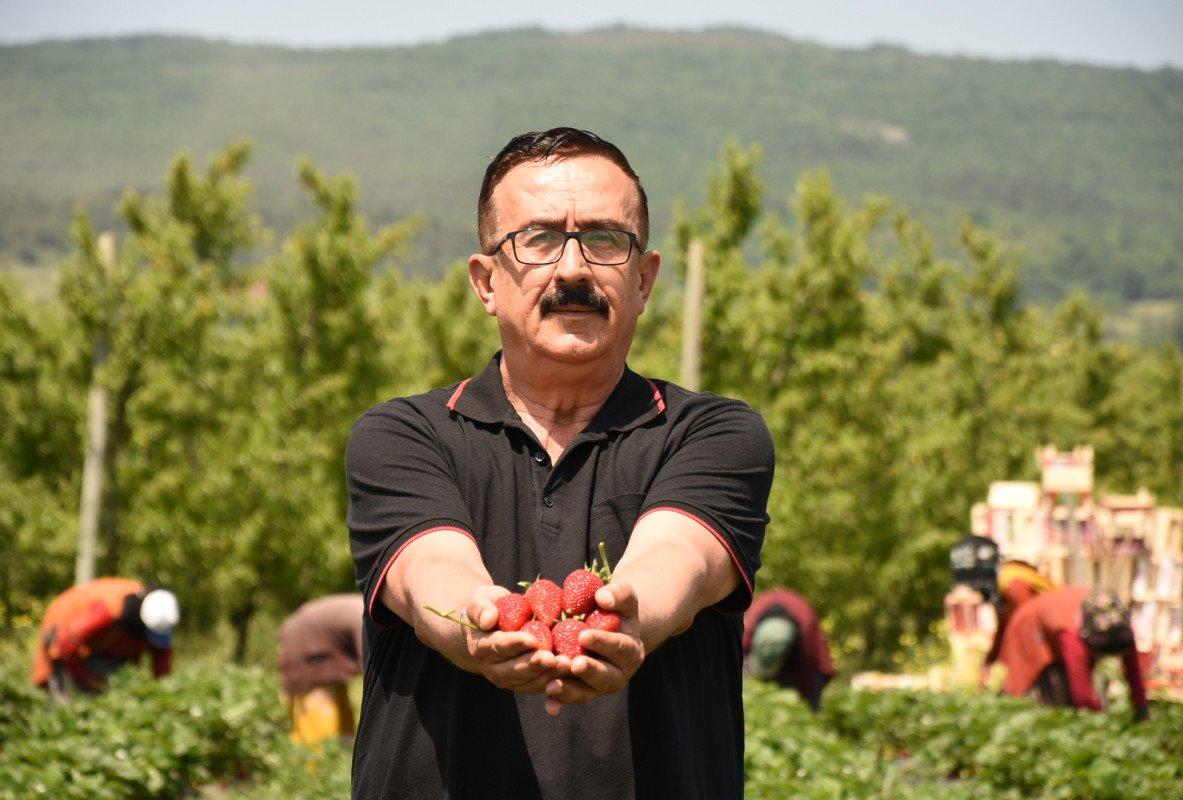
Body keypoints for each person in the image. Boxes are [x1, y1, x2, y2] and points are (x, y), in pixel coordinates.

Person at [346, 127, 774, 799]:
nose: (573, 269)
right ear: (486, 281)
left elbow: (680, 562)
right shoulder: (404, 435)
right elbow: (430, 570)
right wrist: (478, 617)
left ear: (644, 278)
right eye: (539, 239)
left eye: (606, 239)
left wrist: (623, 614)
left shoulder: (713, 433)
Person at [997, 585, 1148, 721]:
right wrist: (1096, 722)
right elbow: (1081, 688)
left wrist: (1141, 707)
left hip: (1057, 623)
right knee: (1051, 693)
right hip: (1030, 628)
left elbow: (1133, 668)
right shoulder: (1072, 634)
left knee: (1068, 696)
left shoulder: (1118, 627)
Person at [30, 577, 178, 700]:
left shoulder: (160, 614)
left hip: (99, 644)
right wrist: (87, 679)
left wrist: (160, 696)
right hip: (64, 631)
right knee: (68, 698)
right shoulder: (107, 612)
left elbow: (161, 657)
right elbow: (67, 644)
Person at [277, 593, 364, 744]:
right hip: (305, 641)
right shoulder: (367, 617)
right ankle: (317, 760)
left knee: (340, 708)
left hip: (319, 639)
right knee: (319, 707)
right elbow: (373, 667)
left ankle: (343, 753)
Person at [742, 588, 836, 711]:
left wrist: (808, 705)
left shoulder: (805, 634)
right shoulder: (751, 621)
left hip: (805, 667)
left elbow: (811, 670)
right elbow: (741, 651)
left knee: (807, 707)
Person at [979, 558, 1056, 687]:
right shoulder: (1004, 585)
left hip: (1051, 633)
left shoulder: (1013, 582)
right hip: (1044, 634)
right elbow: (1003, 628)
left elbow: (1028, 617)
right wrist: (989, 661)